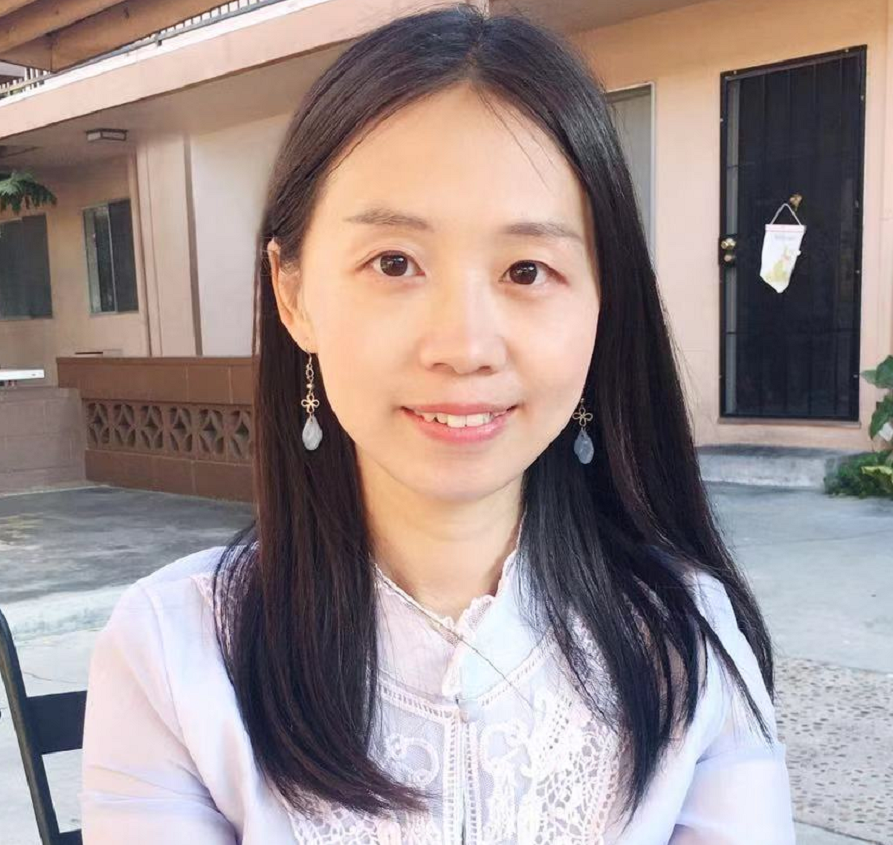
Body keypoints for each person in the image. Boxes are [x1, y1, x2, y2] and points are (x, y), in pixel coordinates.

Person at [79, 4, 796, 843]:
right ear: (292, 293)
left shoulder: (686, 642)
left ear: (602, 304)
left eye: (527, 269)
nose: (464, 346)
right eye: (394, 262)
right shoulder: (173, 654)